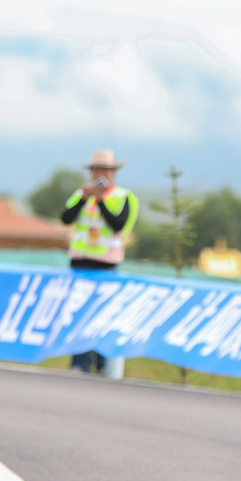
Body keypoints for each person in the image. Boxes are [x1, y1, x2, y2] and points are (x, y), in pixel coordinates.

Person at [60, 149, 139, 374]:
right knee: (79, 314)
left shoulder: (123, 196)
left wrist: (101, 201)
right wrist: (85, 199)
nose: (99, 174)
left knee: (102, 314)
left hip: (106, 264)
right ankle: (80, 364)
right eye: (96, 169)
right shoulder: (80, 194)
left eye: (105, 170)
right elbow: (66, 218)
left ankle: (103, 365)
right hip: (80, 262)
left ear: (113, 173)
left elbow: (118, 224)